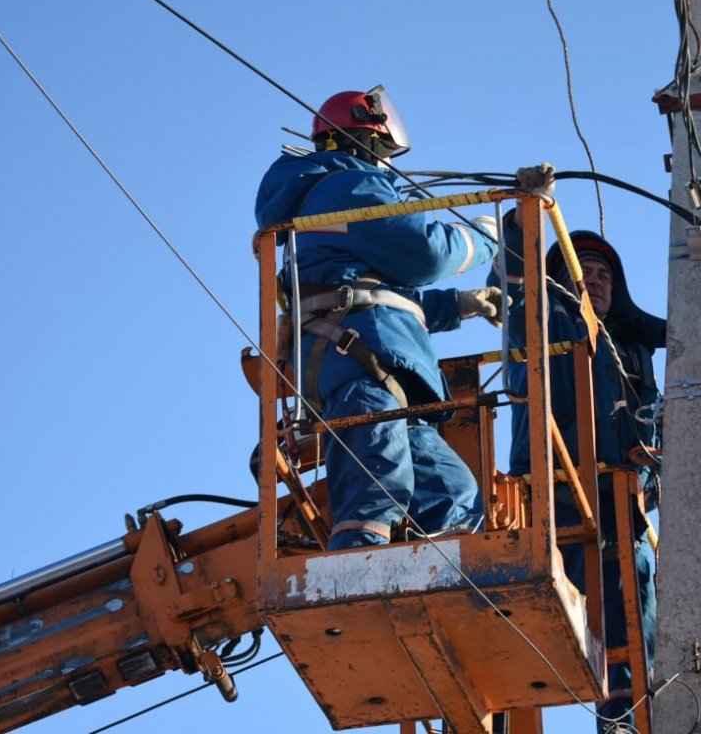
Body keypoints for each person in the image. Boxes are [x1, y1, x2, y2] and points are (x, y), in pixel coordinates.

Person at [255, 86, 503, 550]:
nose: (390, 166)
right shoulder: (347, 186)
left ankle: (447, 582)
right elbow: (426, 251)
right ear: (364, 141)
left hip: (370, 356)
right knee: (375, 497)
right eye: (386, 152)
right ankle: (353, 572)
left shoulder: (322, 197)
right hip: (361, 361)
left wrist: (461, 305)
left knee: (453, 496)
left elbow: (379, 298)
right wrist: (484, 235)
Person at [497, 166, 664, 732]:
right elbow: (518, 283)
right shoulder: (543, 320)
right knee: (514, 638)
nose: (593, 279)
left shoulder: (632, 355)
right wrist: (528, 212)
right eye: (580, 269)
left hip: (621, 510)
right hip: (555, 497)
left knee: (634, 648)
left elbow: (662, 433)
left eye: (602, 275)